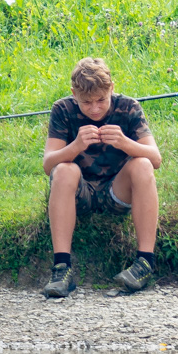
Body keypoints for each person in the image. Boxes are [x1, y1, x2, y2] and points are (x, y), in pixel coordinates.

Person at [42, 57, 162, 298]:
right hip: (79, 194)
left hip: (117, 192)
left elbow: (156, 158)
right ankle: (61, 268)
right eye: (86, 102)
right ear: (73, 94)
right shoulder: (62, 109)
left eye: (101, 100)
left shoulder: (129, 107)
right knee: (65, 169)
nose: (95, 108)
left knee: (142, 165)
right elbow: (48, 165)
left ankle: (145, 263)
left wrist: (125, 143)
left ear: (112, 89)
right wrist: (75, 146)